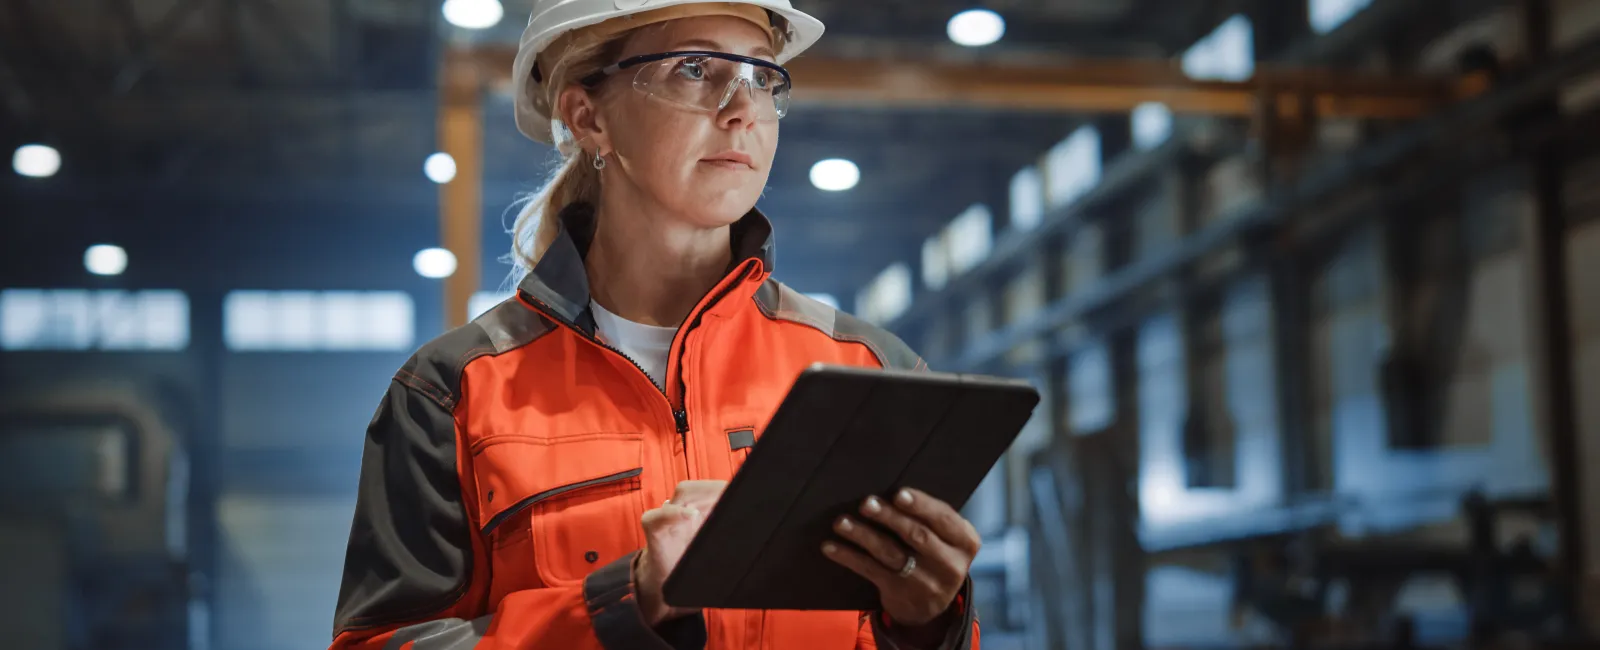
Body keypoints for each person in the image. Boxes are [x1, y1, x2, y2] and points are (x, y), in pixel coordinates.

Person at [328, 1, 984, 648]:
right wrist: (626, 601)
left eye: (760, 74)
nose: (742, 109)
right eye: (695, 69)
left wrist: (929, 626)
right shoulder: (456, 394)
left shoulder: (869, 370)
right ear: (588, 118)